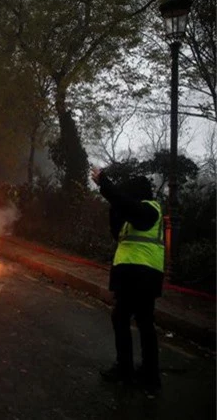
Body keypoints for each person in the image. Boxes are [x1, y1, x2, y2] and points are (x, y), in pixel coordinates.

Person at [91, 167, 164, 395]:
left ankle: (131, 370)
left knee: (135, 321)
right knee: (136, 321)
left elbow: (126, 204)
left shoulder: (149, 210)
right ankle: (144, 372)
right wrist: (114, 205)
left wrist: (105, 183)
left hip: (142, 275)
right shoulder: (132, 215)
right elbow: (117, 229)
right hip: (131, 275)